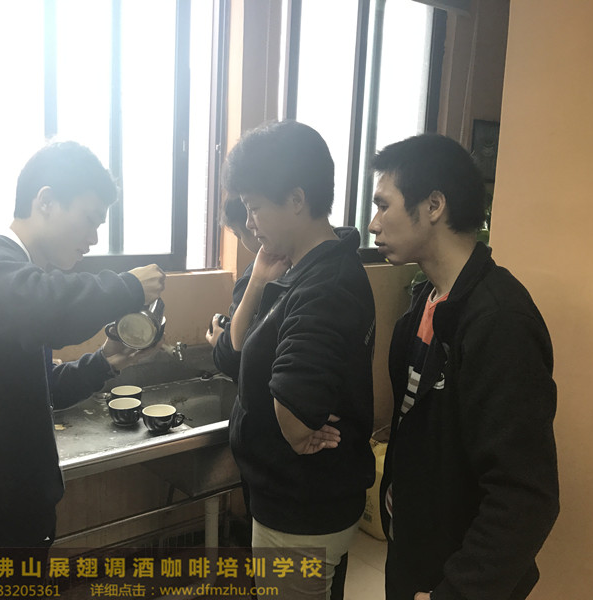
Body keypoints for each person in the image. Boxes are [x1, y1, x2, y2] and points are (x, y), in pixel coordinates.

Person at [0, 140, 166, 548]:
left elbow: (40, 388)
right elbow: (50, 308)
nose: (93, 238)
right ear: (47, 201)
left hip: (17, 519)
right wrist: (129, 287)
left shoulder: (15, 283)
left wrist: (105, 362)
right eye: (89, 219)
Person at [369, 134, 559, 600]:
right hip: (414, 552)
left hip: (457, 577)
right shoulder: (426, 302)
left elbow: (524, 496)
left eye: (383, 205)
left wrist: (456, 591)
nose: (373, 224)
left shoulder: (500, 321)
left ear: (434, 205)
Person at [224, 120, 376, 599]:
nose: (250, 222)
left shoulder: (324, 285)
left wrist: (293, 428)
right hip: (293, 499)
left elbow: (294, 413)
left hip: (302, 509)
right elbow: (244, 349)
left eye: (254, 207)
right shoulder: (305, 269)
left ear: (296, 199)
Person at [205, 196, 261, 381]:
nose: (250, 223)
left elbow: (232, 357)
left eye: (238, 234)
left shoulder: (254, 277)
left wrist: (219, 342)